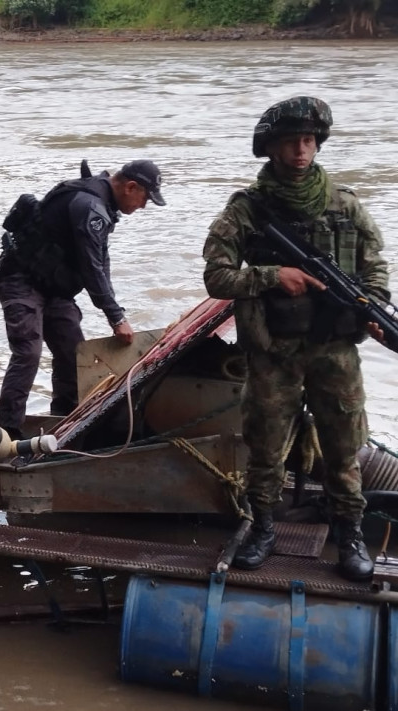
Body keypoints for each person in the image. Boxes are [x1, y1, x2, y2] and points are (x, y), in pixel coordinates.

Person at [202, 96, 390, 582]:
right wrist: (271, 275)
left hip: (334, 350)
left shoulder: (346, 205)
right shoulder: (247, 209)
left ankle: (348, 531)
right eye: (291, 142)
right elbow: (217, 278)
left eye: (308, 141)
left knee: (344, 445)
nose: (301, 151)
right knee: (265, 448)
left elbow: (375, 269)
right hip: (273, 353)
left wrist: (370, 307)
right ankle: (262, 526)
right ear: (271, 149)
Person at [0, 160, 164, 441]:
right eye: (145, 198)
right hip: (20, 280)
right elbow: (91, 267)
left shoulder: (103, 204)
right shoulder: (90, 207)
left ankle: (65, 422)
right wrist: (116, 318)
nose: (143, 206)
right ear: (131, 187)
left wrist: (116, 310)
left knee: (73, 353)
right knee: (28, 351)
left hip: (55, 288)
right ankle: (5, 434)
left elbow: (101, 263)